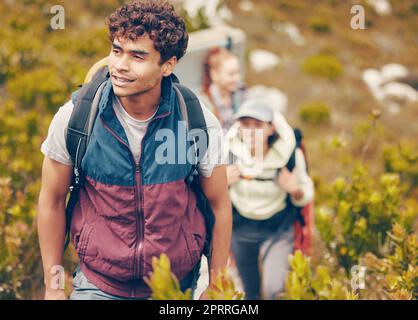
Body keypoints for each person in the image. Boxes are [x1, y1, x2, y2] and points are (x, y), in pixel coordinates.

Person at [37, 0, 232, 300]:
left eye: (137, 56)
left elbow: (219, 204)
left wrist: (217, 285)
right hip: (98, 285)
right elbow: (51, 200)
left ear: (167, 65)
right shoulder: (76, 118)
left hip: (173, 287)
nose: (119, 65)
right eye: (117, 51)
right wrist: (52, 284)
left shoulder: (197, 121)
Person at [225, 100, 314, 300]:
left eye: (258, 125)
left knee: (274, 290)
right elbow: (208, 193)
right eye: (246, 125)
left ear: (271, 128)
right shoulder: (228, 153)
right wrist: (222, 181)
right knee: (251, 293)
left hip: (278, 230)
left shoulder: (290, 155)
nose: (251, 131)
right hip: (241, 230)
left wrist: (295, 190)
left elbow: (306, 193)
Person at [200, 47, 245, 131]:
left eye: (238, 72)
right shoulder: (205, 103)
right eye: (231, 74)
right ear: (214, 75)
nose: (237, 78)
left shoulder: (241, 93)